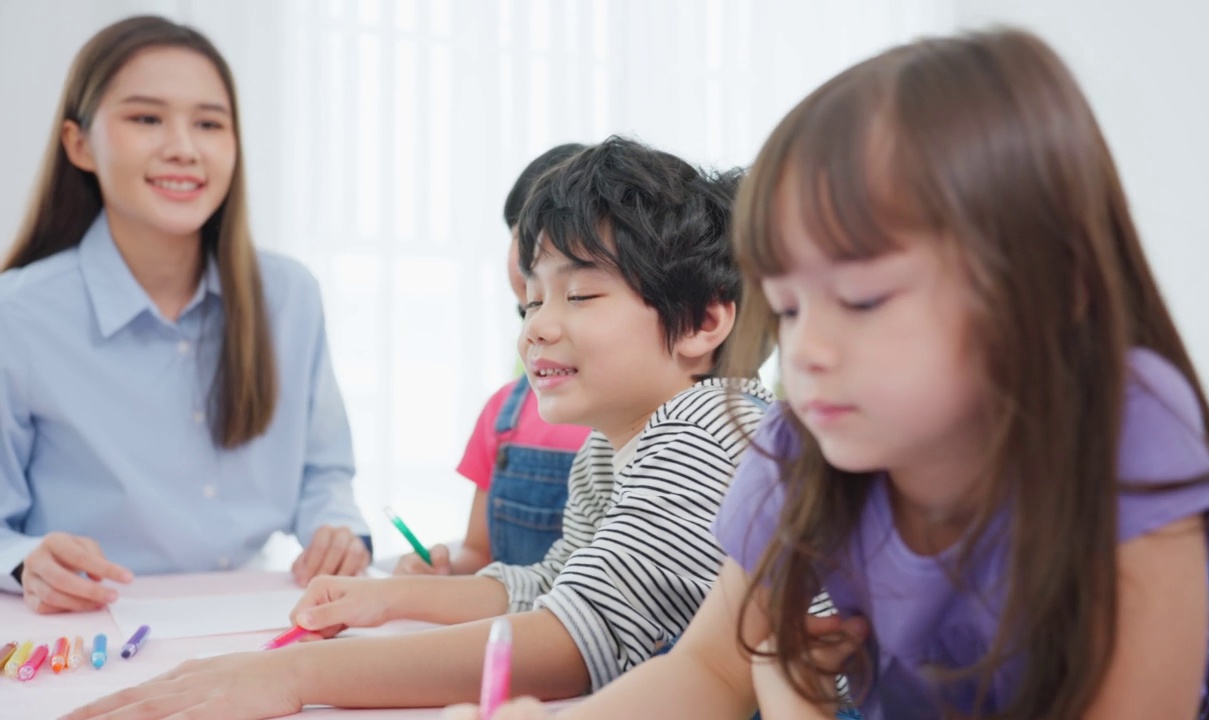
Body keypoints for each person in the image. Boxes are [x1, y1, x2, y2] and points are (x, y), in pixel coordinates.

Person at [447, 27, 1209, 720]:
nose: (806, 352)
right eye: (793, 306)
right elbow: (707, 671)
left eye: (863, 299)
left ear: (1039, 292)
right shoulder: (797, 447)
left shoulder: (1125, 424)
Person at [65, 136, 776, 719]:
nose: (538, 329)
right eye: (529, 304)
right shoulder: (608, 449)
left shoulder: (707, 427)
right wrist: (388, 596)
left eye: (580, 293)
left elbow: (571, 638)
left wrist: (300, 674)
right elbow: (555, 587)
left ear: (706, 321)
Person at [0, 15, 372, 615]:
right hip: (89, 622)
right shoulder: (17, 316)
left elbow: (325, 474)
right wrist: (25, 560)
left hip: (256, 615)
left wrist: (337, 530)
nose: (184, 147)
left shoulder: (289, 296)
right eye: (146, 118)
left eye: (209, 123)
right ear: (78, 143)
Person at [393, 144, 592, 577]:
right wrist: (443, 574)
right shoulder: (505, 412)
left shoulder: (653, 423)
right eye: (521, 233)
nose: (533, 255)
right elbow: (479, 555)